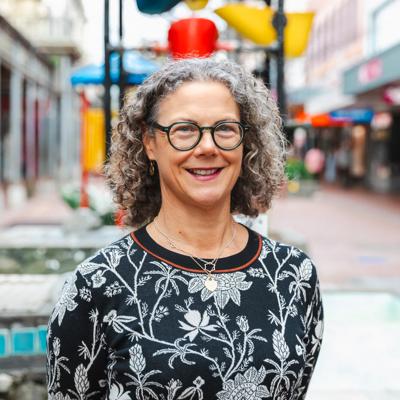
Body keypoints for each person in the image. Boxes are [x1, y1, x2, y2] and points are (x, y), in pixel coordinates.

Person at [47, 58, 323, 400]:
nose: (207, 147)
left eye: (224, 128)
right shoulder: (97, 284)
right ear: (150, 143)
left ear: (245, 142)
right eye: (184, 130)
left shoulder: (294, 275)